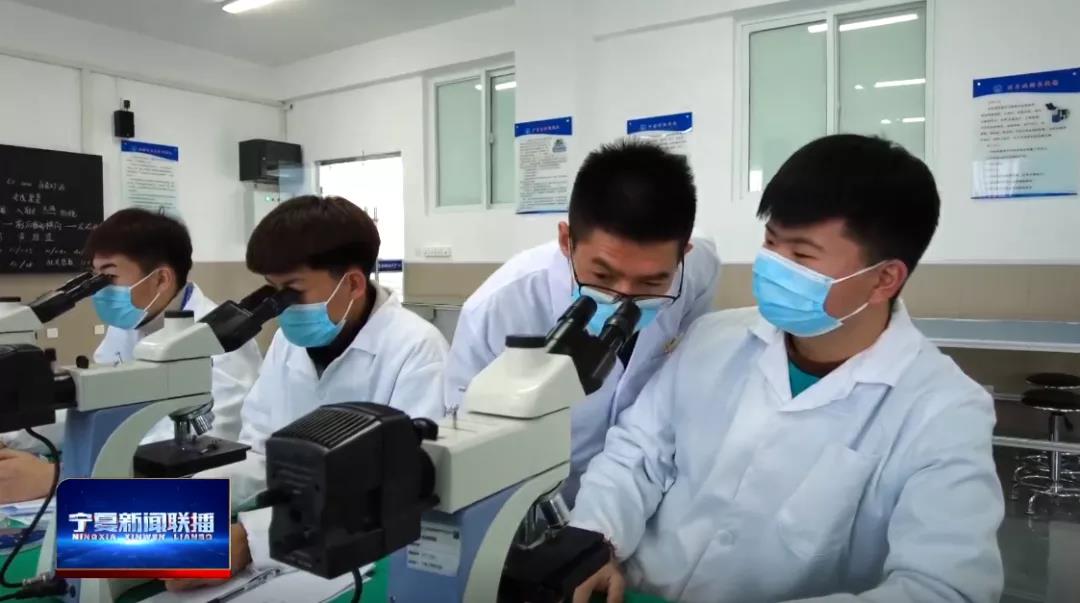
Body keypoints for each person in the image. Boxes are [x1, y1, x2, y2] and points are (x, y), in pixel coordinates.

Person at [571, 135, 1004, 603]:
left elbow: (941, 588)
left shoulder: (944, 411)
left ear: (884, 278)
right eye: (770, 242)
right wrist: (595, 543)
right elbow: (636, 454)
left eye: (800, 255)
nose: (774, 265)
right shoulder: (712, 340)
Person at [167, 195, 448, 591]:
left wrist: (253, 540)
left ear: (352, 283)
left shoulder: (418, 350)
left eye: (292, 291)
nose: (280, 308)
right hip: (292, 542)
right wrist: (191, 500)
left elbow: (399, 488)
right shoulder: (288, 342)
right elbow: (262, 453)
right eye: (273, 290)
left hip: (370, 559)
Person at [445, 140, 721, 501]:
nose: (624, 299)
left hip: (641, 488)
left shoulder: (698, 271)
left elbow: (680, 379)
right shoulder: (497, 308)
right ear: (566, 240)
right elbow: (463, 440)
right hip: (535, 496)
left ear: (684, 254)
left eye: (651, 283)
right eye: (603, 276)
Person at [0, 208, 262, 504]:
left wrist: (62, 477)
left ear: (161, 279)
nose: (98, 292)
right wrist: (14, 435)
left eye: (109, 277)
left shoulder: (221, 341)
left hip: (181, 492)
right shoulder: (128, 326)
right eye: (94, 277)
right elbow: (95, 406)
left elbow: (195, 449)